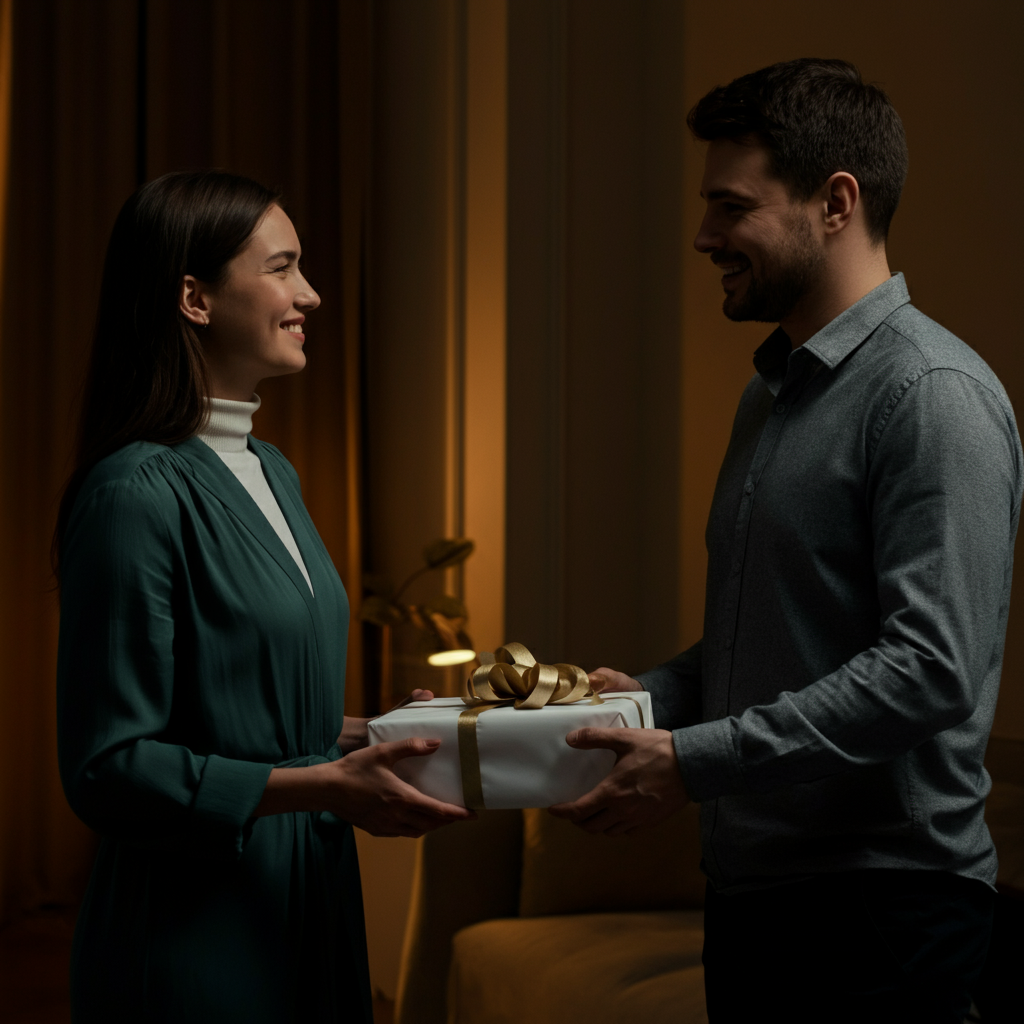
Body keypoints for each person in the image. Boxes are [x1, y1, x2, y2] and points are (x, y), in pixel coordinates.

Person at [549, 58, 1022, 1022]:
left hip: (885, 916)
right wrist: (656, 697)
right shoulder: (770, 396)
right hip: (756, 903)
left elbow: (930, 670)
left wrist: (690, 760)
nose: (703, 236)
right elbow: (773, 633)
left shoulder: (932, 396)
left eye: (732, 206)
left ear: (836, 201)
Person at [55, 171, 473, 1023]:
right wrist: (325, 785)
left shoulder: (272, 470)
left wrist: (375, 736)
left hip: (307, 888)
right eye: (282, 268)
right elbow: (110, 768)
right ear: (193, 297)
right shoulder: (135, 494)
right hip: (195, 926)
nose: (309, 294)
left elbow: (244, 710)